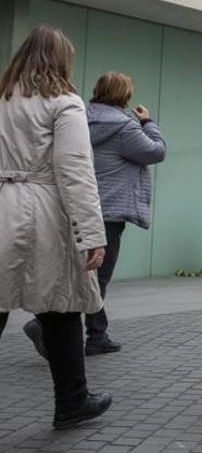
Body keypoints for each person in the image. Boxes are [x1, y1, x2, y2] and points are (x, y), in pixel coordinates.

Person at [0, 25, 112, 429]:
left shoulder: (2, 97)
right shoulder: (64, 102)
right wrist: (92, 233)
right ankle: (72, 401)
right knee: (60, 305)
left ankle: (74, 400)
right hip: (42, 211)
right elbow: (75, 169)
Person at [22, 71, 167, 356]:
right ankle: (45, 324)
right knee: (96, 277)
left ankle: (97, 334)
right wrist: (148, 122)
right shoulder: (126, 128)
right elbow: (156, 152)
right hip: (108, 213)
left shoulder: (76, 118)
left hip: (75, 208)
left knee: (77, 273)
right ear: (124, 96)